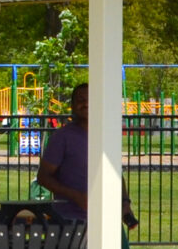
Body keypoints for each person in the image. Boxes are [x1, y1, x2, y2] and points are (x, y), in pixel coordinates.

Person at [34, 83, 138, 230]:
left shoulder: (107, 135)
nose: (86, 103)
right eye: (80, 100)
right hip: (70, 222)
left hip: (106, 220)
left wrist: (125, 203)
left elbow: (116, 175)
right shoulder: (62, 137)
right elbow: (43, 177)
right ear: (73, 105)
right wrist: (76, 196)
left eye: (91, 99)